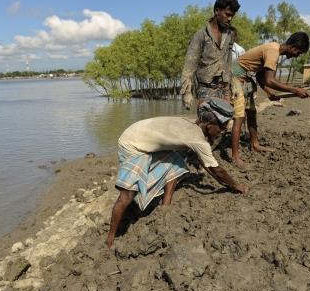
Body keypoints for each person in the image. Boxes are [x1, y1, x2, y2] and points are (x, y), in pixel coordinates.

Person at [104, 99, 247, 248]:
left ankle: (165, 208)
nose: (224, 132)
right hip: (132, 143)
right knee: (126, 196)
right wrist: (236, 185)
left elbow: (204, 161)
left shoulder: (194, 124)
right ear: (210, 125)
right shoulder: (197, 139)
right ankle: (110, 240)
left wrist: (223, 180)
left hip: (141, 135)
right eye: (223, 128)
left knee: (175, 164)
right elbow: (216, 170)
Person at [230, 32, 310, 167]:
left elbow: (261, 74)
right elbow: (270, 80)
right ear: (293, 46)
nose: (297, 56)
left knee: (251, 112)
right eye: (298, 52)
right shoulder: (273, 52)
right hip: (235, 77)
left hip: (246, 78)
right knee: (239, 117)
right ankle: (235, 157)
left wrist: (267, 90)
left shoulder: (275, 50)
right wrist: (295, 90)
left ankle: (255, 145)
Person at [180, 0, 240, 110]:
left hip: (224, 88)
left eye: (232, 16)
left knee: (224, 124)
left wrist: (233, 85)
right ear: (217, 11)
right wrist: (187, 92)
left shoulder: (229, 35)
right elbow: (189, 66)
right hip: (207, 88)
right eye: (227, 14)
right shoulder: (200, 35)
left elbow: (228, 62)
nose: (230, 19)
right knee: (208, 124)